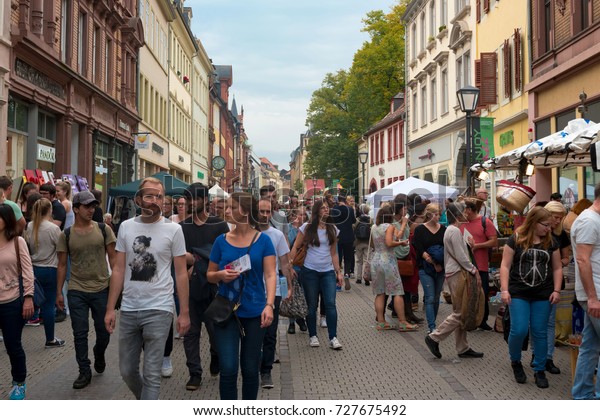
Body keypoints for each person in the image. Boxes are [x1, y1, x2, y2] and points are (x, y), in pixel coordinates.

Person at [104, 177, 190, 400]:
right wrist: (110, 308)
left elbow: (181, 272)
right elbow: (119, 269)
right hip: (130, 308)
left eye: (159, 196)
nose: (154, 200)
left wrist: (184, 313)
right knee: (127, 370)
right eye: (149, 196)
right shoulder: (126, 227)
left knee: (151, 374)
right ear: (139, 199)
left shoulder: (174, 230)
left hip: (160, 309)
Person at [206, 192, 277, 400]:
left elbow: (271, 274)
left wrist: (269, 305)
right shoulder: (221, 241)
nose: (226, 211)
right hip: (226, 312)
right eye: (226, 207)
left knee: (249, 368)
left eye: (231, 207)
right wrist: (220, 275)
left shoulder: (264, 241)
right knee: (228, 369)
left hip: (254, 312)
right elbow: (209, 275)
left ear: (244, 211)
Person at [56, 191, 117, 389]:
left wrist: (118, 286)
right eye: (87, 206)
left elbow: (114, 260)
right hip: (76, 289)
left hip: (101, 288)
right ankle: (84, 371)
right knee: (79, 333)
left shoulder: (103, 229)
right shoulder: (66, 234)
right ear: (76, 209)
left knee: (104, 332)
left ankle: (99, 353)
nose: (92, 209)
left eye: (94, 206)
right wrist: (59, 292)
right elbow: (62, 265)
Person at [500, 206, 562, 389]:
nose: (548, 229)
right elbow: (505, 265)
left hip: (543, 294)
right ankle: (516, 362)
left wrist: (557, 290)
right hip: (518, 292)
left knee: (539, 331)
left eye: (550, 226)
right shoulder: (516, 239)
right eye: (545, 225)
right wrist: (505, 290)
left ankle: (539, 369)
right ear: (534, 222)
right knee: (519, 330)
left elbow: (557, 268)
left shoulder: (551, 242)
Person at [180, 183, 229, 391]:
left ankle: (216, 357)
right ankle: (194, 373)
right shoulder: (182, 227)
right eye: (189, 199)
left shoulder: (219, 225)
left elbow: (224, 256)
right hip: (190, 287)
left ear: (205, 201)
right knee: (190, 332)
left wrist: (197, 262)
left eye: (196, 199)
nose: (191, 203)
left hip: (214, 287)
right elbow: (179, 258)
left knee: (216, 332)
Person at [424, 202, 484, 359]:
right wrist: (473, 269)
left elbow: (459, 252)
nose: (466, 213)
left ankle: (462, 347)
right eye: (464, 211)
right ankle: (434, 337)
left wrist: (470, 246)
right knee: (460, 311)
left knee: (460, 310)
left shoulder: (452, 230)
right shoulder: (454, 230)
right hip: (457, 273)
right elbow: (460, 256)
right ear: (458, 214)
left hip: (454, 272)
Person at [290, 199, 344, 350]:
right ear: (317, 211)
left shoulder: (333, 229)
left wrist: (338, 272)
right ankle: (313, 335)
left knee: (330, 304)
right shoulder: (307, 228)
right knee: (311, 305)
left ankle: (333, 337)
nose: (326, 210)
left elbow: (334, 253)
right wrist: (290, 265)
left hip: (327, 271)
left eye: (327, 208)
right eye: (323, 208)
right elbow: (296, 246)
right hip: (310, 271)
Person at [257, 198, 295, 389]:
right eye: (261, 211)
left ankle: (266, 371)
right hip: (251, 292)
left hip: (273, 291)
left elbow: (285, 262)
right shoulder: (248, 234)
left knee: (270, 334)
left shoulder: (277, 235)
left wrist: (289, 285)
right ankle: (254, 366)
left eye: (267, 211)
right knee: (253, 334)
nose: (264, 215)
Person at [0, 203, 35, 399]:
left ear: (7, 221)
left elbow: (28, 271)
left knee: (13, 346)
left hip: (12, 302)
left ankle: (19, 383)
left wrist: (28, 297)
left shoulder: (17, 242)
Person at [570, 183, 600, 399]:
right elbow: (582, 259)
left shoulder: (593, 219)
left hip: (594, 294)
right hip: (596, 293)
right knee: (590, 345)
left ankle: (582, 394)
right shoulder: (589, 221)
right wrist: (592, 297)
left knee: (590, 345)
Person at [23, 198, 64, 347]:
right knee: (48, 306)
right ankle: (50, 339)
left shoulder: (29, 226)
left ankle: (14, 338)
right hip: (50, 269)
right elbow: (61, 250)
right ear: (50, 210)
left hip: (33, 269)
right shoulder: (53, 228)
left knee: (29, 304)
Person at [370, 205, 418, 332]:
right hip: (388, 260)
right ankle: (402, 322)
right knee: (397, 291)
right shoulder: (389, 226)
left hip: (376, 260)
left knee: (380, 292)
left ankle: (381, 322)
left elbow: (372, 244)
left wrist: (402, 225)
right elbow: (390, 242)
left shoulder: (374, 227)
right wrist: (401, 243)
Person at [539, 201, 570, 375]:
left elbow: (567, 258)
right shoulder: (536, 232)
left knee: (550, 323)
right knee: (537, 323)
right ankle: (538, 355)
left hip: (553, 283)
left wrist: (557, 263)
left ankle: (548, 358)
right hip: (535, 285)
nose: (558, 221)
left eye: (560, 218)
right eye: (555, 217)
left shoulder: (561, 235)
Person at [461, 197, 498, 331]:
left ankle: (483, 319)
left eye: (463, 209)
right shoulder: (461, 222)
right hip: (465, 265)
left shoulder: (485, 221)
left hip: (481, 264)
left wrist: (477, 246)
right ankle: (469, 319)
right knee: (468, 293)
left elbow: (494, 241)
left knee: (482, 292)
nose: (461, 212)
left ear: (469, 210)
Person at [413, 203, 446, 333]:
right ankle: (431, 327)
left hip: (440, 268)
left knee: (437, 297)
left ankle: (433, 323)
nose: (438, 217)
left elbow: (445, 249)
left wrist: (440, 265)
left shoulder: (443, 229)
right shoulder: (420, 229)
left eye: (439, 214)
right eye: (436, 214)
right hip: (425, 267)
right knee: (430, 297)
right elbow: (419, 248)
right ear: (429, 215)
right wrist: (432, 262)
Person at [391, 194, 422, 323]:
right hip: (397, 256)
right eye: (404, 207)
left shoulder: (403, 219)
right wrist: (404, 224)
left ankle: (406, 312)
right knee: (401, 287)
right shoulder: (392, 222)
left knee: (407, 286)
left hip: (406, 253)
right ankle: (402, 314)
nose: (406, 210)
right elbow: (397, 237)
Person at [286, 208, 308, 334]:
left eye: (305, 214)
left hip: (305, 264)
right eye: (300, 214)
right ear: (295, 215)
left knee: (304, 294)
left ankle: (301, 318)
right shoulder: (289, 229)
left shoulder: (309, 228)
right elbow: (287, 246)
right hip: (293, 264)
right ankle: (292, 323)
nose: (303, 216)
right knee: (292, 293)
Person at [332, 193, 356, 288]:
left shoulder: (334, 210)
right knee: (348, 257)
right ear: (345, 200)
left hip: (338, 236)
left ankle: (338, 275)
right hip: (349, 236)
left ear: (338, 201)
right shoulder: (350, 209)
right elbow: (354, 221)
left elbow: (332, 221)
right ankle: (346, 273)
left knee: (338, 256)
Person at [354, 204, 371, 285]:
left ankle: (359, 278)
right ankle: (366, 277)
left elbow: (353, 227)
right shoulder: (370, 220)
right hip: (368, 242)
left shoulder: (358, 219)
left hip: (358, 242)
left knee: (359, 261)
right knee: (366, 260)